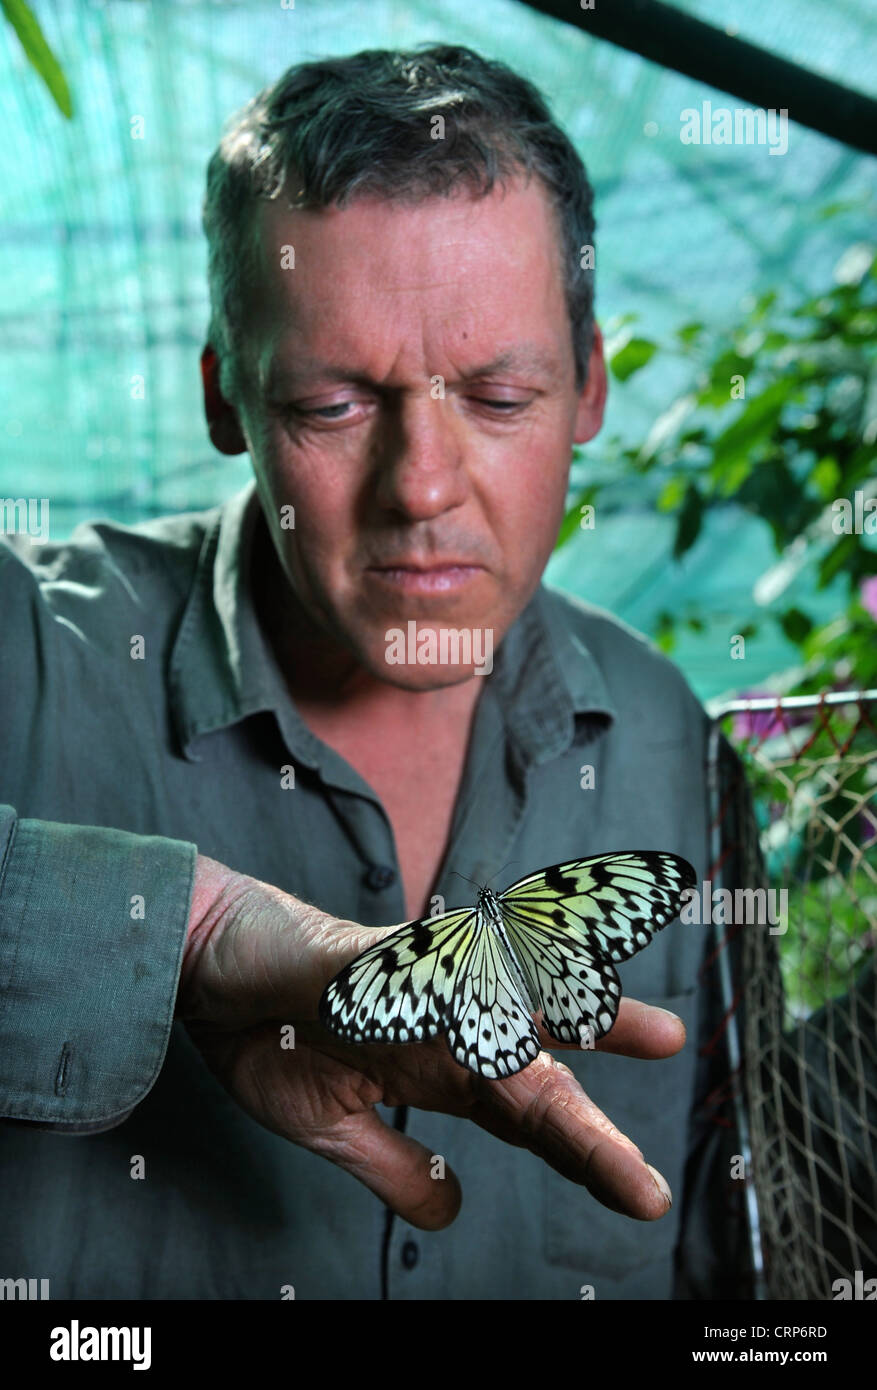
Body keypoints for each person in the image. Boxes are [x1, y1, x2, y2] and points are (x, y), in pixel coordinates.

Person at [0, 43, 752, 1300]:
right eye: (332, 405)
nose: (421, 484)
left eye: (500, 395)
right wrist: (186, 936)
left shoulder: (669, 745)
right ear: (225, 395)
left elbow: (739, 1246)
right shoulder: (29, 653)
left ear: (591, 388)